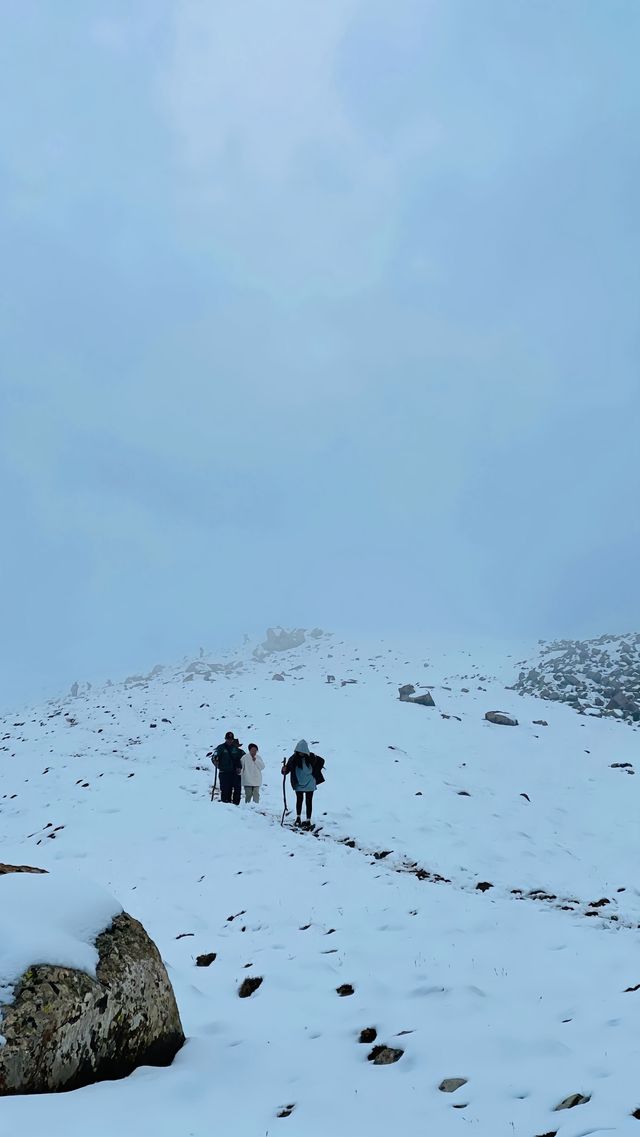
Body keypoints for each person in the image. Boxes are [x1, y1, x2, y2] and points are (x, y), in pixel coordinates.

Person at [281, 740, 325, 828]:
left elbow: (322, 761)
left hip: (310, 782)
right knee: (299, 799)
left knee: (309, 801)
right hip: (298, 783)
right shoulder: (293, 759)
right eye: (299, 751)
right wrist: (284, 769)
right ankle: (298, 818)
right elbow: (287, 770)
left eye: (302, 751)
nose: (301, 753)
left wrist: (316, 770)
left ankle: (308, 820)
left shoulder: (312, 756)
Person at [213, 731, 245, 805]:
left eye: (231, 739)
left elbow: (244, 758)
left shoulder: (236, 749)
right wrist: (215, 761)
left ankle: (236, 806)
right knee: (225, 791)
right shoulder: (221, 747)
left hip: (235, 773)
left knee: (237, 790)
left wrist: (240, 767)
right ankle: (226, 808)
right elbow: (214, 756)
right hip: (224, 773)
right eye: (228, 739)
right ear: (225, 739)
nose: (229, 741)